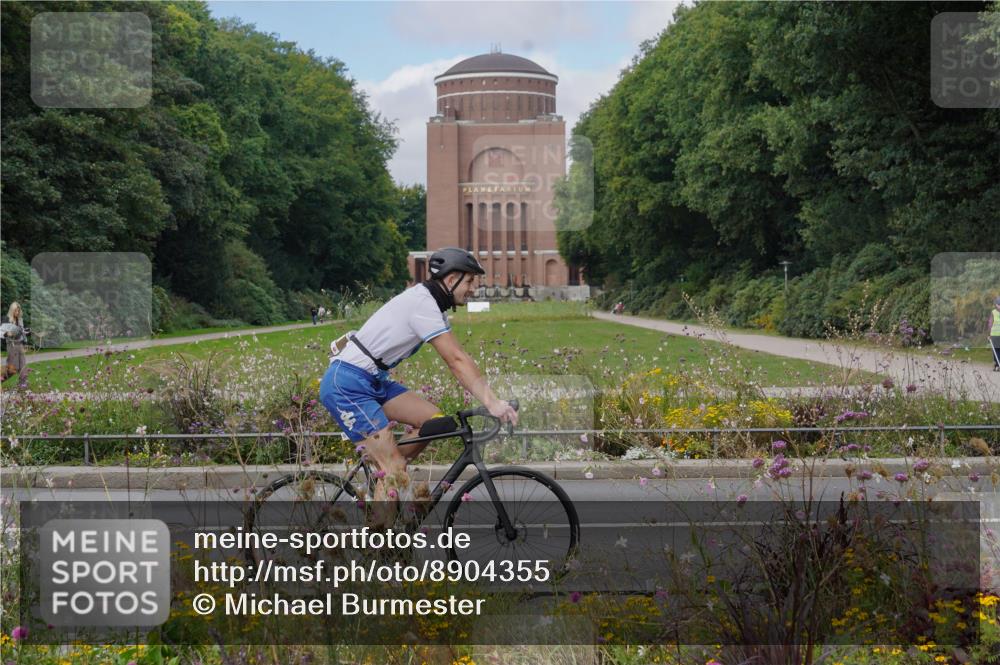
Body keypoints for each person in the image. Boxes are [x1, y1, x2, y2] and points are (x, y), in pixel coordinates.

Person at [318, 247, 518, 525]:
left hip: (372, 380)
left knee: (435, 422)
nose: (474, 289)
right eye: (471, 281)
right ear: (451, 280)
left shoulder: (431, 306)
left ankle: (387, 472)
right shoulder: (422, 303)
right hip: (347, 383)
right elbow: (456, 359)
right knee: (394, 468)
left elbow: (458, 356)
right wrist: (492, 402)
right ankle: (381, 548)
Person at [2, 302, 29, 388]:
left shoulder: (19, 320)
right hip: (11, 345)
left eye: (18, 310)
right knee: (13, 368)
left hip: (19, 344)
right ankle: (1, 379)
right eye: (15, 311)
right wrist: (7, 334)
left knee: (23, 364)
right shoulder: (6, 319)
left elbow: (21, 333)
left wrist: (25, 332)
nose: (17, 313)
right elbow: (2, 333)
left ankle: (23, 383)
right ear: (11, 311)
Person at [990, 295, 1000, 372]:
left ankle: (997, 365)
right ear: (996, 304)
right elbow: (990, 323)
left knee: (997, 350)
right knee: (995, 350)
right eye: (998, 304)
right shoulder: (993, 312)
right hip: (994, 335)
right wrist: (988, 334)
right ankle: (997, 365)